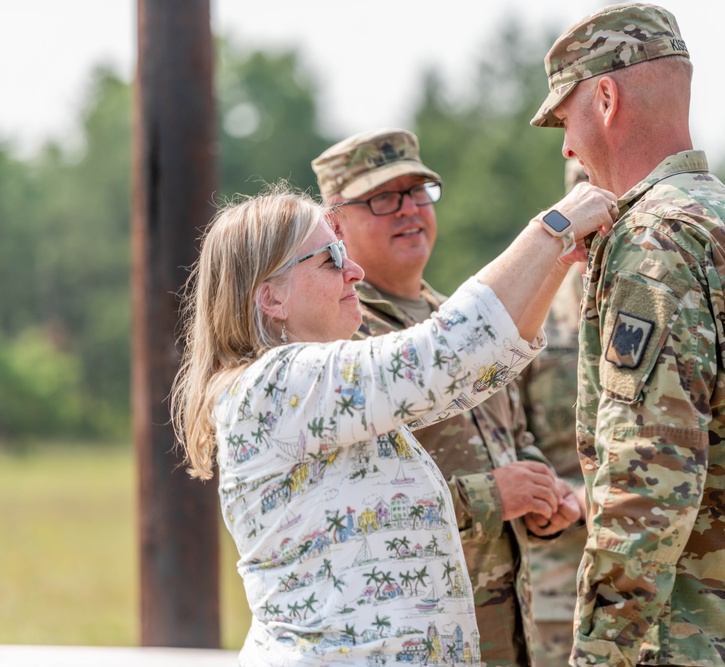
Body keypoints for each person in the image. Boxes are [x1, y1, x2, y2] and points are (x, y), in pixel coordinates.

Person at [169, 181, 616, 666]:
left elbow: (472, 373)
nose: (354, 270)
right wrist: (552, 229)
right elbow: (441, 355)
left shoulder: (310, 393)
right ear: (272, 299)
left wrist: (551, 262)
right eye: (331, 259)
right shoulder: (276, 387)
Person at [530, 3, 725, 666]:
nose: (565, 146)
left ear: (605, 98)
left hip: (696, 641)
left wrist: (598, 652)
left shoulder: (653, 240)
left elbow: (647, 477)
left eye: (564, 117)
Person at [310, 128, 585, 666]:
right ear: (336, 223)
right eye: (384, 198)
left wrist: (541, 492)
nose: (410, 211)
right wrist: (492, 497)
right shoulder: (341, 342)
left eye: (419, 192)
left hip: (502, 631)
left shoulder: (456, 320)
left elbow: (514, 434)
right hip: (410, 636)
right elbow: (348, 508)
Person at [519, 159, 590, 667]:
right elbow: (501, 437)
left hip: (658, 581)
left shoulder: (674, 304)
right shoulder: (532, 313)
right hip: (555, 583)